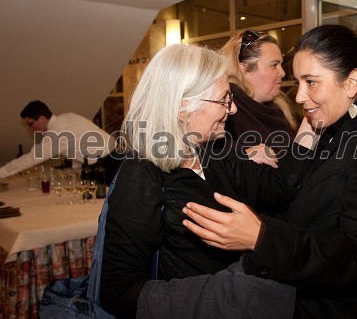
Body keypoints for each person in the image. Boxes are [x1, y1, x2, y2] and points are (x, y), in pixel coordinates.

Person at [183, 24, 357, 318]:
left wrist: (262, 238)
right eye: (298, 82)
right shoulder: (327, 130)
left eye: (311, 82)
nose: (299, 96)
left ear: (352, 82)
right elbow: (288, 195)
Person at [100, 44, 319, 318]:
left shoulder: (216, 149)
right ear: (182, 105)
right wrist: (228, 291)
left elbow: (279, 187)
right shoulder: (142, 173)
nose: (233, 108)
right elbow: (117, 292)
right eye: (224, 99)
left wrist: (313, 123)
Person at [216, 29, 297, 163]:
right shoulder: (225, 112)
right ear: (245, 68)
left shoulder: (278, 111)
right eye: (274, 65)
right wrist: (242, 156)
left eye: (281, 65)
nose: (282, 72)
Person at [0, 100, 121, 184]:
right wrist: (76, 170)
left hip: (107, 165)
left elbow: (31, 158)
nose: (30, 129)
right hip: (114, 158)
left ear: (42, 119)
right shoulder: (66, 117)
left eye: (30, 124)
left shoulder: (56, 133)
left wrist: (2, 173)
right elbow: (79, 145)